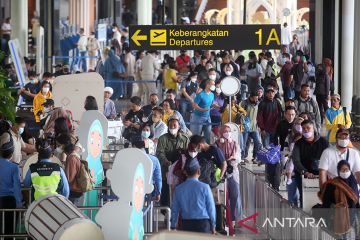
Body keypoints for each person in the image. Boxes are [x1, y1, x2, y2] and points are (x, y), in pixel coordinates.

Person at [171, 158, 216, 234]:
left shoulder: (178, 189)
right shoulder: (205, 187)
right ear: (199, 171)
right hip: (203, 225)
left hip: (187, 224)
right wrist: (213, 225)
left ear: (185, 173)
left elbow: (175, 209)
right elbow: (211, 208)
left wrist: (173, 226)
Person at [292, 120, 329, 207]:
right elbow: (296, 160)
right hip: (303, 174)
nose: (306, 130)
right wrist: (305, 172)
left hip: (321, 174)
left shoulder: (324, 142)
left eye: (308, 128)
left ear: (314, 129)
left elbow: (329, 157)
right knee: (303, 196)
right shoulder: (298, 143)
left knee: (324, 196)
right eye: (304, 128)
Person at [156, 117, 189, 209]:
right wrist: (167, 162)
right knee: (166, 193)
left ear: (179, 126)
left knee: (181, 192)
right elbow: (159, 153)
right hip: (166, 169)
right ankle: (165, 212)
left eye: (174, 125)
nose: (172, 127)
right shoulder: (163, 138)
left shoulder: (185, 139)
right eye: (170, 125)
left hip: (180, 171)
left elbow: (188, 153)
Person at [319, 160, 359, 236]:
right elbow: (326, 202)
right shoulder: (332, 184)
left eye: (347, 169)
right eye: (342, 170)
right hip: (335, 218)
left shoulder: (353, 182)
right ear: (338, 171)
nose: (345, 171)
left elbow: (356, 201)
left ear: (350, 170)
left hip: (352, 218)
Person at [257, 85, 283, 191]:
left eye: (272, 92)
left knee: (274, 154)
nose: (271, 94)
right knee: (267, 154)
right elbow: (259, 117)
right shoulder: (262, 104)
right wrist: (262, 129)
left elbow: (281, 114)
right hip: (266, 131)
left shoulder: (277, 102)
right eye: (269, 92)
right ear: (266, 93)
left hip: (275, 131)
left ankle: (275, 177)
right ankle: (268, 177)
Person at [215, 126, 242, 228]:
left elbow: (239, 157)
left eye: (229, 131)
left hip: (233, 172)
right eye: (225, 131)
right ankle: (222, 218)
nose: (227, 133)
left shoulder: (235, 144)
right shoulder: (216, 144)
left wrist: (233, 158)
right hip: (220, 173)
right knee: (221, 197)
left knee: (235, 195)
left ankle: (234, 219)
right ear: (220, 133)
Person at [0, 133, 23, 239]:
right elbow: (17, 187)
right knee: (9, 228)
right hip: (9, 201)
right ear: (11, 154)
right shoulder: (14, 167)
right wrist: (19, 203)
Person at [190, 79, 215, 143]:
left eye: (214, 84)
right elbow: (194, 105)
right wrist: (202, 110)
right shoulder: (200, 94)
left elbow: (211, 104)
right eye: (212, 84)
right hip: (198, 117)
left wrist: (216, 106)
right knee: (196, 136)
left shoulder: (212, 94)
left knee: (208, 135)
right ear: (207, 85)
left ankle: (206, 150)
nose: (214, 86)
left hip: (207, 117)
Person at [241, 92, 262, 163]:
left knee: (258, 142)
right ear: (251, 97)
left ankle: (255, 157)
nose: (257, 99)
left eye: (257, 98)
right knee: (244, 143)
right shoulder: (244, 103)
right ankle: (242, 158)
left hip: (254, 127)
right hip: (245, 127)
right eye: (255, 98)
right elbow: (240, 113)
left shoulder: (258, 104)